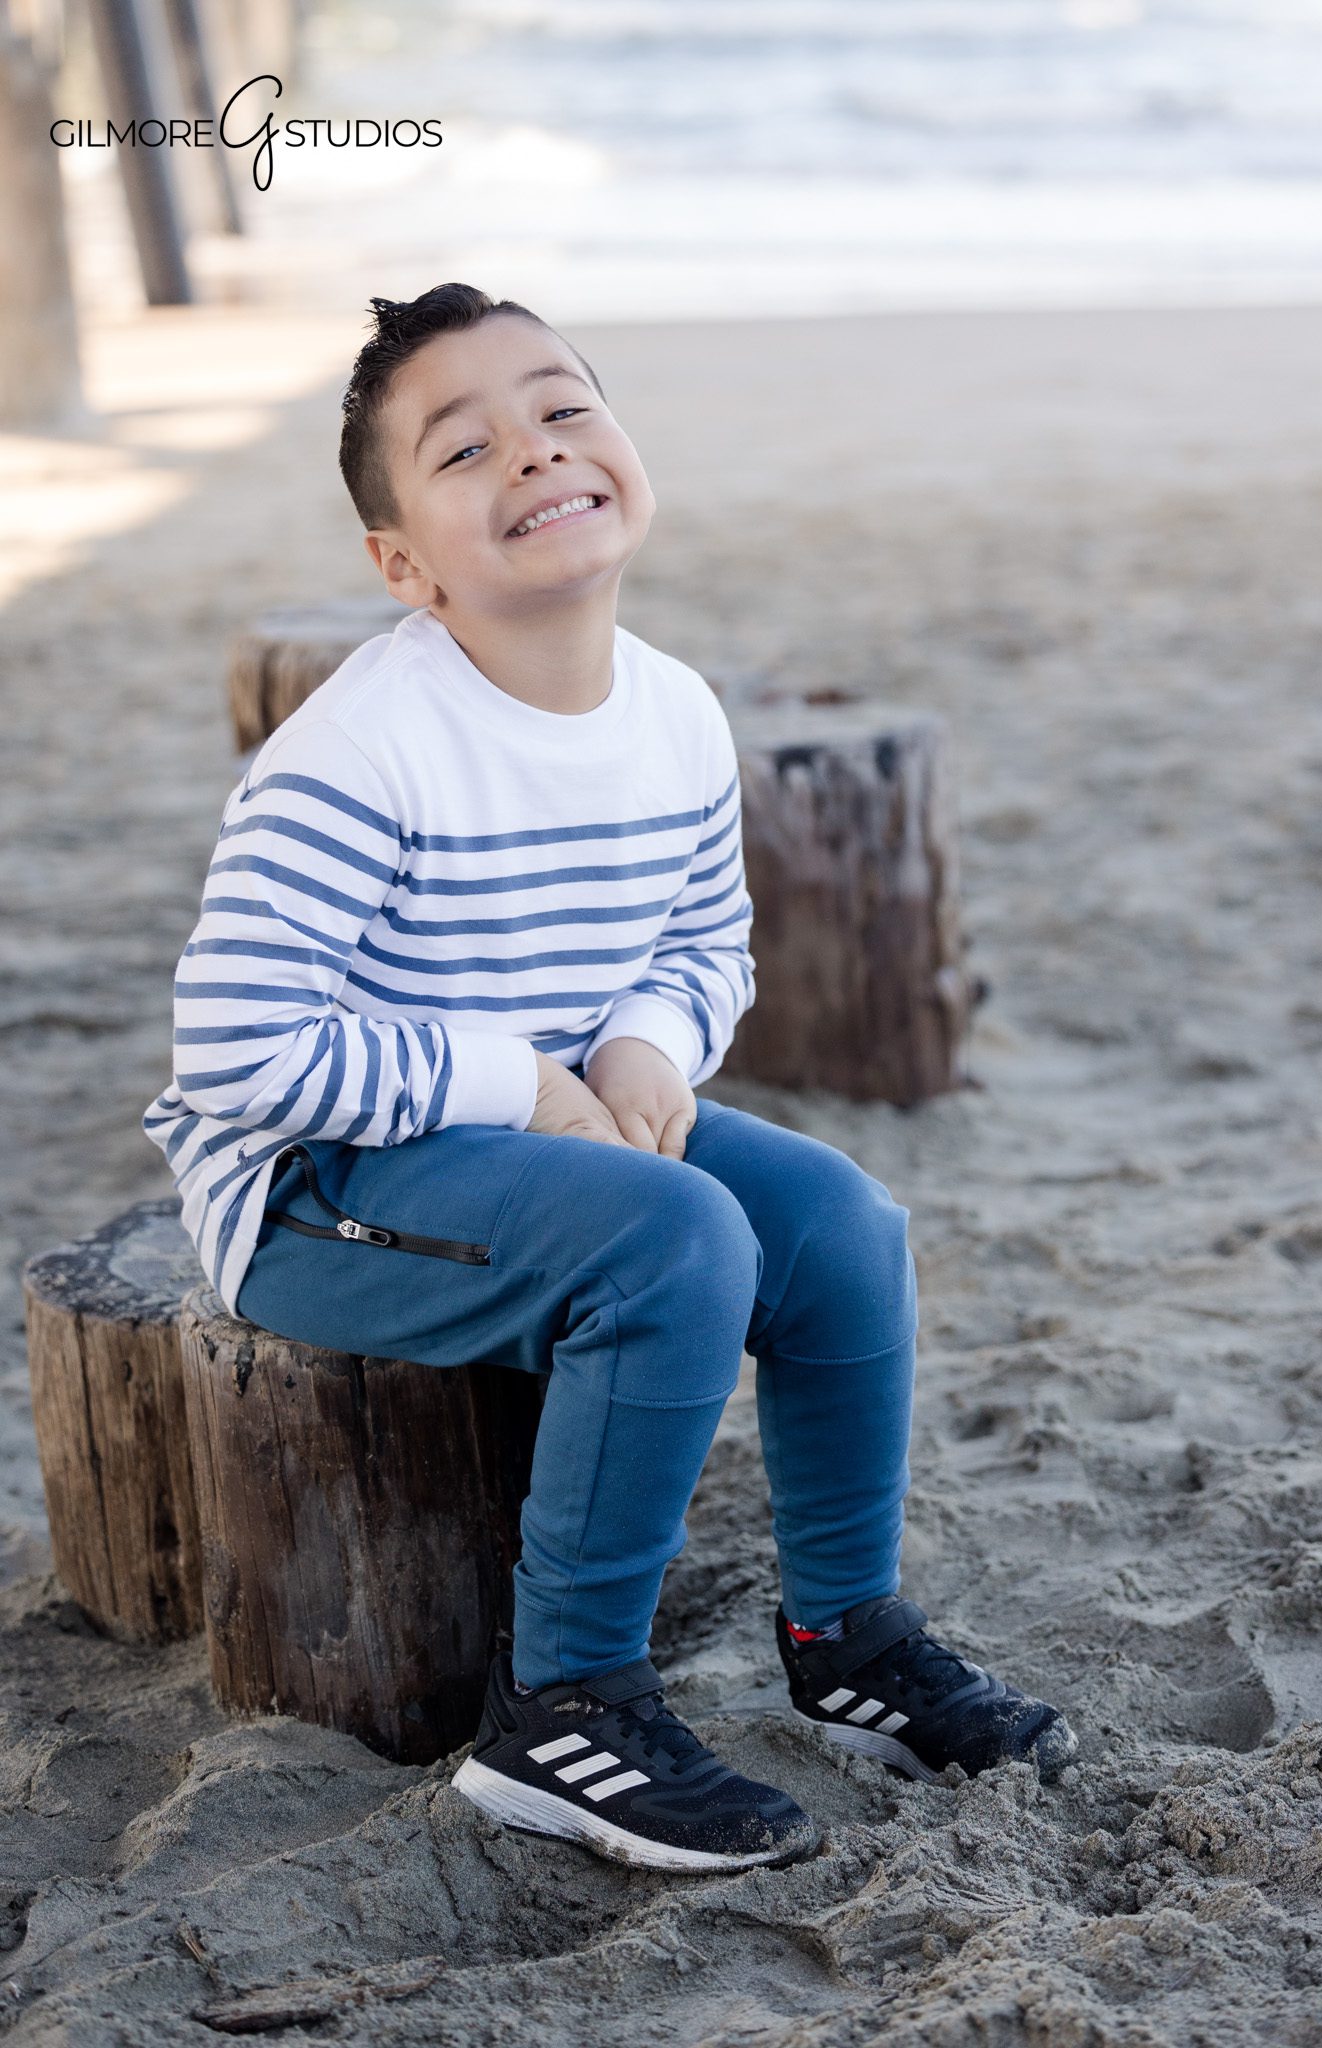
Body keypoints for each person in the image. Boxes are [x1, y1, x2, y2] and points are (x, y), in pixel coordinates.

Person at [144, 283, 1076, 1875]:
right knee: (675, 1243)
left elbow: (707, 939)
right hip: (321, 1184)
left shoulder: (672, 710)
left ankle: (843, 1633)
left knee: (840, 1224)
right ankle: (560, 1710)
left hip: (561, 1111)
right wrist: (519, 1081)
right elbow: (238, 1052)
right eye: (465, 447)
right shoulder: (357, 755)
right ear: (402, 565)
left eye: (563, 408)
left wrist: (649, 1040)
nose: (534, 453)